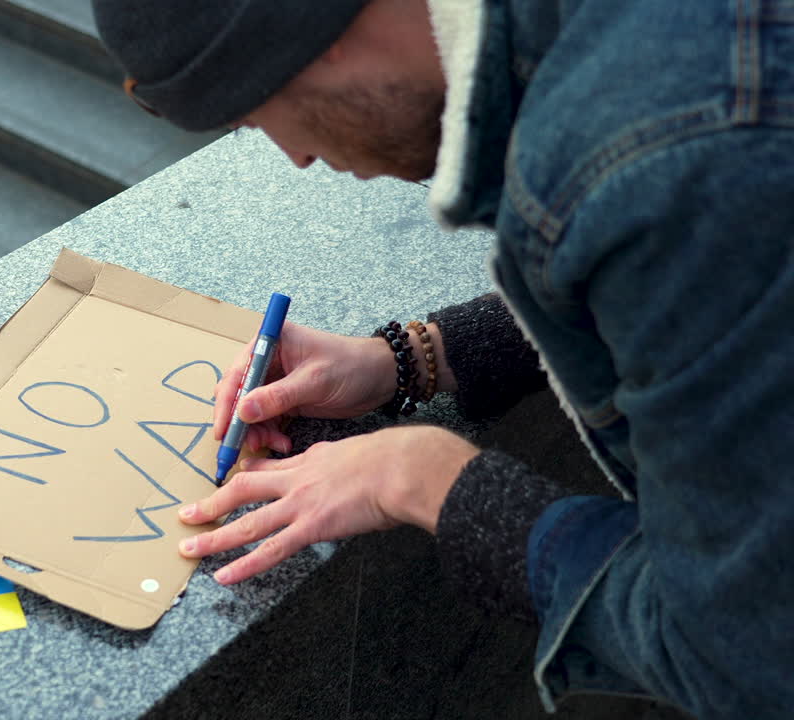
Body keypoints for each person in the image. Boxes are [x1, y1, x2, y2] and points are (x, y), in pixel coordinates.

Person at [91, 1, 794, 718]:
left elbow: (741, 653)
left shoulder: (662, 170)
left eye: (258, 114)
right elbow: (671, 302)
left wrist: (427, 480)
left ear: (307, 36)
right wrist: (412, 357)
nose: (295, 156)